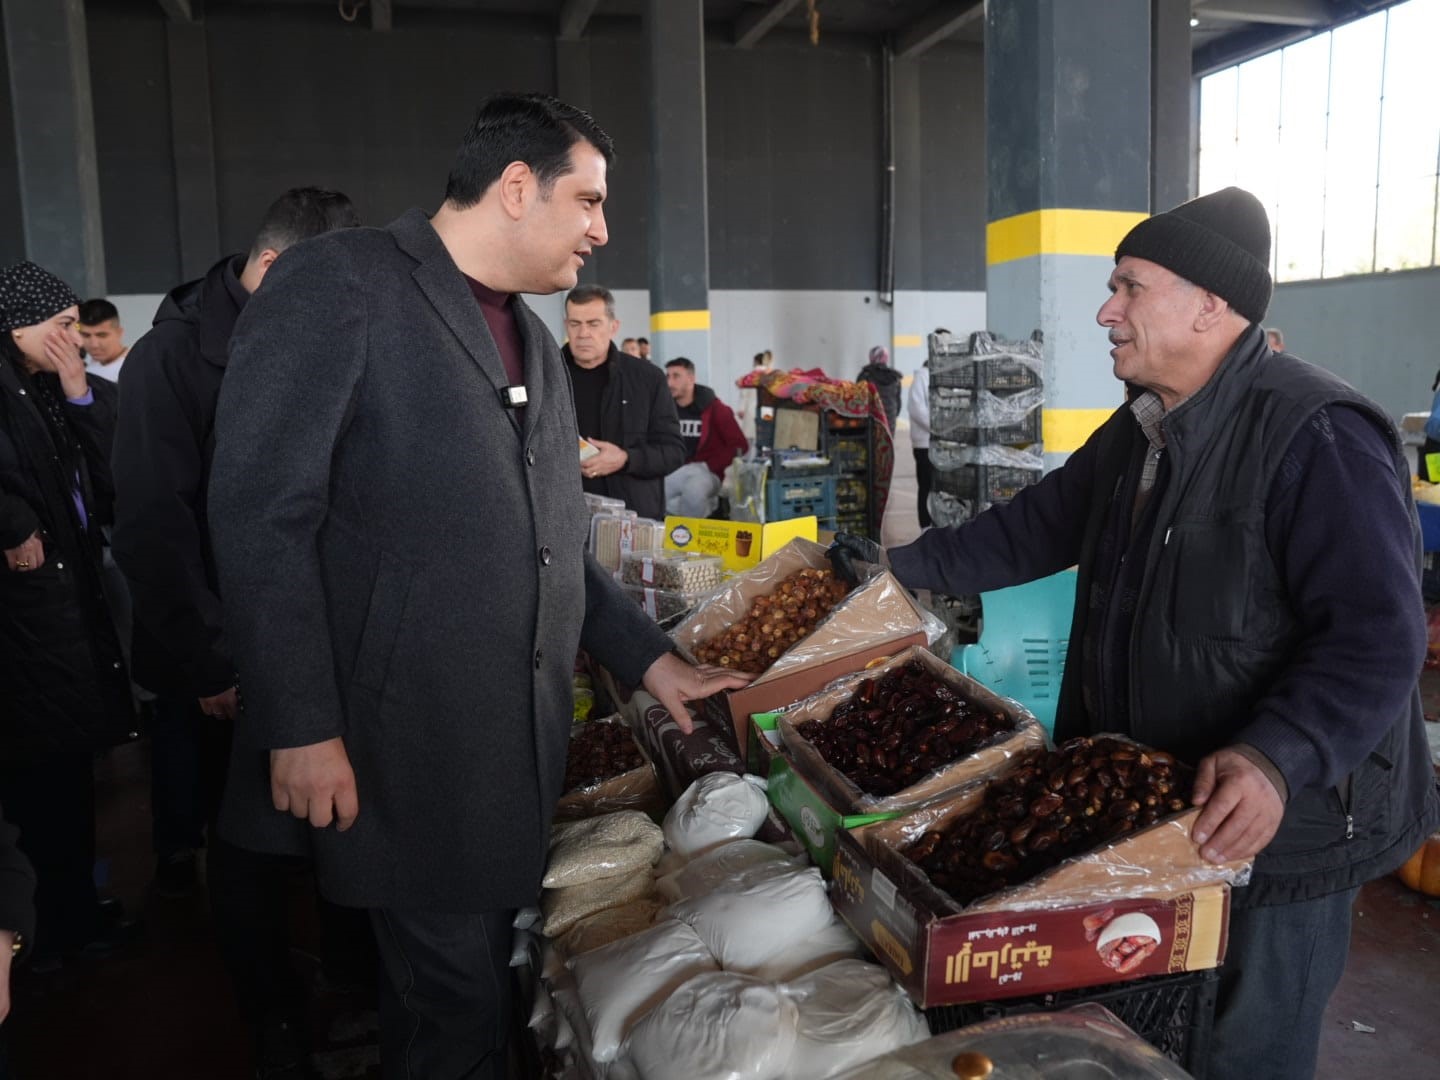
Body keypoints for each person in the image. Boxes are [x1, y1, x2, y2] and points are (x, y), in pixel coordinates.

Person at [836, 187, 1440, 1080]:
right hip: (1161, 806)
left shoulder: (1318, 434)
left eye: (1130, 287)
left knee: (1246, 1047)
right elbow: (1031, 527)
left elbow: (1377, 636)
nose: (1104, 311)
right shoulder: (1143, 428)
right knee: (1151, 1035)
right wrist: (894, 573)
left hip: (1281, 824)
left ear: (1210, 304)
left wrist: (1279, 756)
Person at [205, 93, 748, 1080]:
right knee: (452, 1004)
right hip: (399, 746)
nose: (602, 229)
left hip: (504, 751)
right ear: (514, 188)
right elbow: (259, 513)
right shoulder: (346, 284)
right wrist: (300, 724)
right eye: (586, 201)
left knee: (463, 997)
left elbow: (551, 540)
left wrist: (653, 662)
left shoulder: (531, 340)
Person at [110, 187, 362, 1077]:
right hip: (212, 655)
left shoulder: (297, 336)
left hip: (298, 637)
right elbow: (151, 529)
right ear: (277, 268)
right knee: (246, 846)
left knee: (324, 820)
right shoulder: (168, 361)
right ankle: (271, 1020)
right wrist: (214, 660)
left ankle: (345, 978)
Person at [0, 262, 135, 970]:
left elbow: (109, 476)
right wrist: (13, 519)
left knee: (70, 771)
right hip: (27, 621)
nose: (70, 341)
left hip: (66, 598)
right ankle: (55, 928)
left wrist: (81, 390)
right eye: (58, 328)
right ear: (14, 325)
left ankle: (74, 905)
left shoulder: (50, 387)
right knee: (42, 782)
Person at [563, 283, 684, 519]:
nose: (583, 333)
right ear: (566, 325)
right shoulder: (545, 377)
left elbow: (673, 452)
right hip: (564, 519)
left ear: (613, 327)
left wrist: (626, 459)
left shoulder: (648, 379)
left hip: (634, 520)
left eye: (593, 324)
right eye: (575, 324)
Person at [664, 356, 748, 517]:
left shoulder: (715, 408)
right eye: (667, 376)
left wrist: (708, 465)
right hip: (676, 470)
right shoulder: (667, 409)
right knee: (656, 492)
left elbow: (739, 444)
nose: (669, 383)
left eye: (676, 376)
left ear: (691, 378)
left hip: (708, 473)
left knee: (694, 490)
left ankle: (692, 536)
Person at [76, 298, 130, 383]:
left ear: (119, 333)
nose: (94, 344)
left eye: (102, 335)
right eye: (86, 335)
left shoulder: (134, 369)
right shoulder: (85, 368)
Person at [907, 359, 932, 528]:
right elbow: (916, 409)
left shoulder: (940, 376)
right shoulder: (921, 378)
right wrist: (937, 428)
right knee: (926, 487)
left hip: (940, 444)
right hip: (924, 443)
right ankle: (925, 527)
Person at [857, 344, 902, 433]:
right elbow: (898, 402)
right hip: (889, 420)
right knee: (888, 444)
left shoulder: (865, 375)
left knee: (871, 444)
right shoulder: (894, 377)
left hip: (871, 420)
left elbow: (858, 398)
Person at [736, 348, 773, 446]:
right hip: (767, 409)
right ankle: (765, 456)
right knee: (766, 432)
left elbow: (744, 395)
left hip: (751, 408)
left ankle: (751, 458)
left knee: (751, 436)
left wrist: (741, 409)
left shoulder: (750, 377)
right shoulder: (771, 376)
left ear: (756, 362)